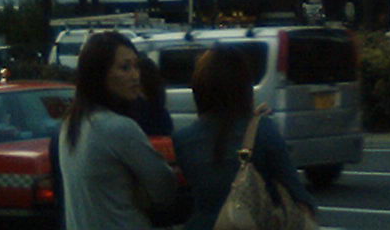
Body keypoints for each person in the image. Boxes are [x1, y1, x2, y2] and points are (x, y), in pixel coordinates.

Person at [173, 45, 317, 230]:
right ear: (244, 87)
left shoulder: (183, 140)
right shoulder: (264, 131)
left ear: (199, 89)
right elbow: (295, 192)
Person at [57, 31, 179, 229]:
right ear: (99, 75)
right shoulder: (117, 128)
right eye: (124, 67)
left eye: (136, 66)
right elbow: (165, 188)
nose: (135, 76)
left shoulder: (71, 123)